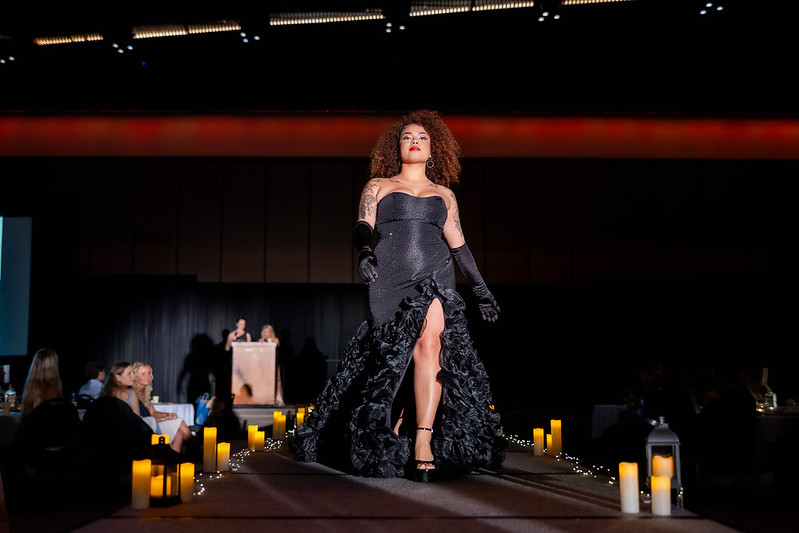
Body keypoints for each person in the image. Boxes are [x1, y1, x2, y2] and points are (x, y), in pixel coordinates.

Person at [290, 110, 504, 482]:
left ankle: (423, 439)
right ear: (398, 147)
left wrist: (483, 291)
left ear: (433, 148)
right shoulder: (379, 186)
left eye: (422, 137)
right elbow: (362, 225)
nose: (415, 141)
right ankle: (391, 428)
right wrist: (364, 252)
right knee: (393, 357)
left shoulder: (444, 195)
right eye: (407, 137)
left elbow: (460, 248)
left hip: (436, 276)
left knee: (431, 345)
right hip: (388, 279)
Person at [18, 348, 81, 476]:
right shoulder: (55, 393)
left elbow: (27, 429)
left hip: (36, 454)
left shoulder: (32, 392)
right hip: (59, 455)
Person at [132, 362, 192, 450]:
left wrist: (167, 415)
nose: (148, 376)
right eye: (143, 374)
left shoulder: (144, 391)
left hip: (151, 423)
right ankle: (198, 450)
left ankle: (172, 461)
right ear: (135, 376)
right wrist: (164, 419)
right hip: (144, 427)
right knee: (180, 422)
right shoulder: (132, 393)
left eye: (149, 373)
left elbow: (153, 412)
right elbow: (141, 420)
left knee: (178, 434)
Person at [257, 324, 284, 406]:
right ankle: (264, 400)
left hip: (273, 364)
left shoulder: (275, 340)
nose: (266, 333)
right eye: (265, 332)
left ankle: (276, 400)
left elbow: (278, 352)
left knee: (276, 381)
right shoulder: (260, 340)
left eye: (268, 332)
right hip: (264, 365)